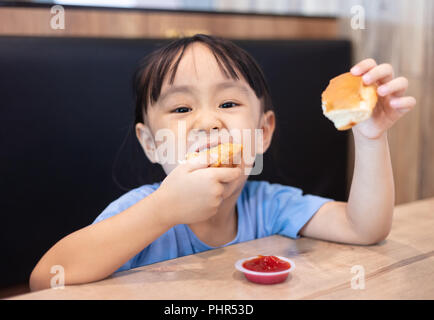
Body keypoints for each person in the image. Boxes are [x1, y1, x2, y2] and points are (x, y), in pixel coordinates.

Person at [29, 34, 416, 291]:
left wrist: (370, 137)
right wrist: (161, 211)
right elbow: (46, 281)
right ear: (151, 143)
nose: (208, 121)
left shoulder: (269, 205)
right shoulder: (140, 211)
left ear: (263, 132)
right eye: (181, 108)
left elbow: (364, 228)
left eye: (228, 103)